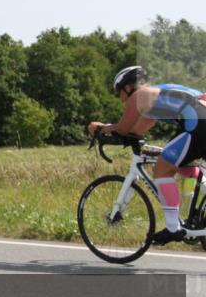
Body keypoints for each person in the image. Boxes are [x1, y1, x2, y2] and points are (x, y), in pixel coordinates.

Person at [88, 66, 206, 245]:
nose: (120, 99)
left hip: (198, 125)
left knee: (162, 169)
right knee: (180, 165)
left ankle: (174, 228)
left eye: (119, 92)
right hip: (199, 122)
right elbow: (136, 132)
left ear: (127, 87)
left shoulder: (139, 96)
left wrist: (100, 128)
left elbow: (123, 128)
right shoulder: (156, 95)